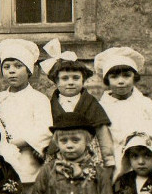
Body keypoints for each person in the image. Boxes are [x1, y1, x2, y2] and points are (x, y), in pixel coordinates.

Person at [39, 39, 115, 171]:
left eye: (75, 78)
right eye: (65, 78)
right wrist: (42, 148)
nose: (70, 82)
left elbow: (102, 133)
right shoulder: (50, 105)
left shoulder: (89, 102)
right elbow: (44, 132)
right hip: (59, 155)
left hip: (88, 155)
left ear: (83, 80)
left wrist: (109, 161)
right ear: (56, 81)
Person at [0, 38, 52, 189]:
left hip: (28, 162)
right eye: (6, 67)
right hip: (2, 160)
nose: (11, 71)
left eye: (18, 66)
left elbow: (45, 130)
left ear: (28, 71)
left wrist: (17, 142)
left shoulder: (39, 99)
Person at [94, 46, 152, 167]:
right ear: (107, 80)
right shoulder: (101, 108)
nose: (121, 81)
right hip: (115, 164)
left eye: (126, 76)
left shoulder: (146, 104)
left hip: (145, 161)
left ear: (134, 78)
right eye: (114, 77)